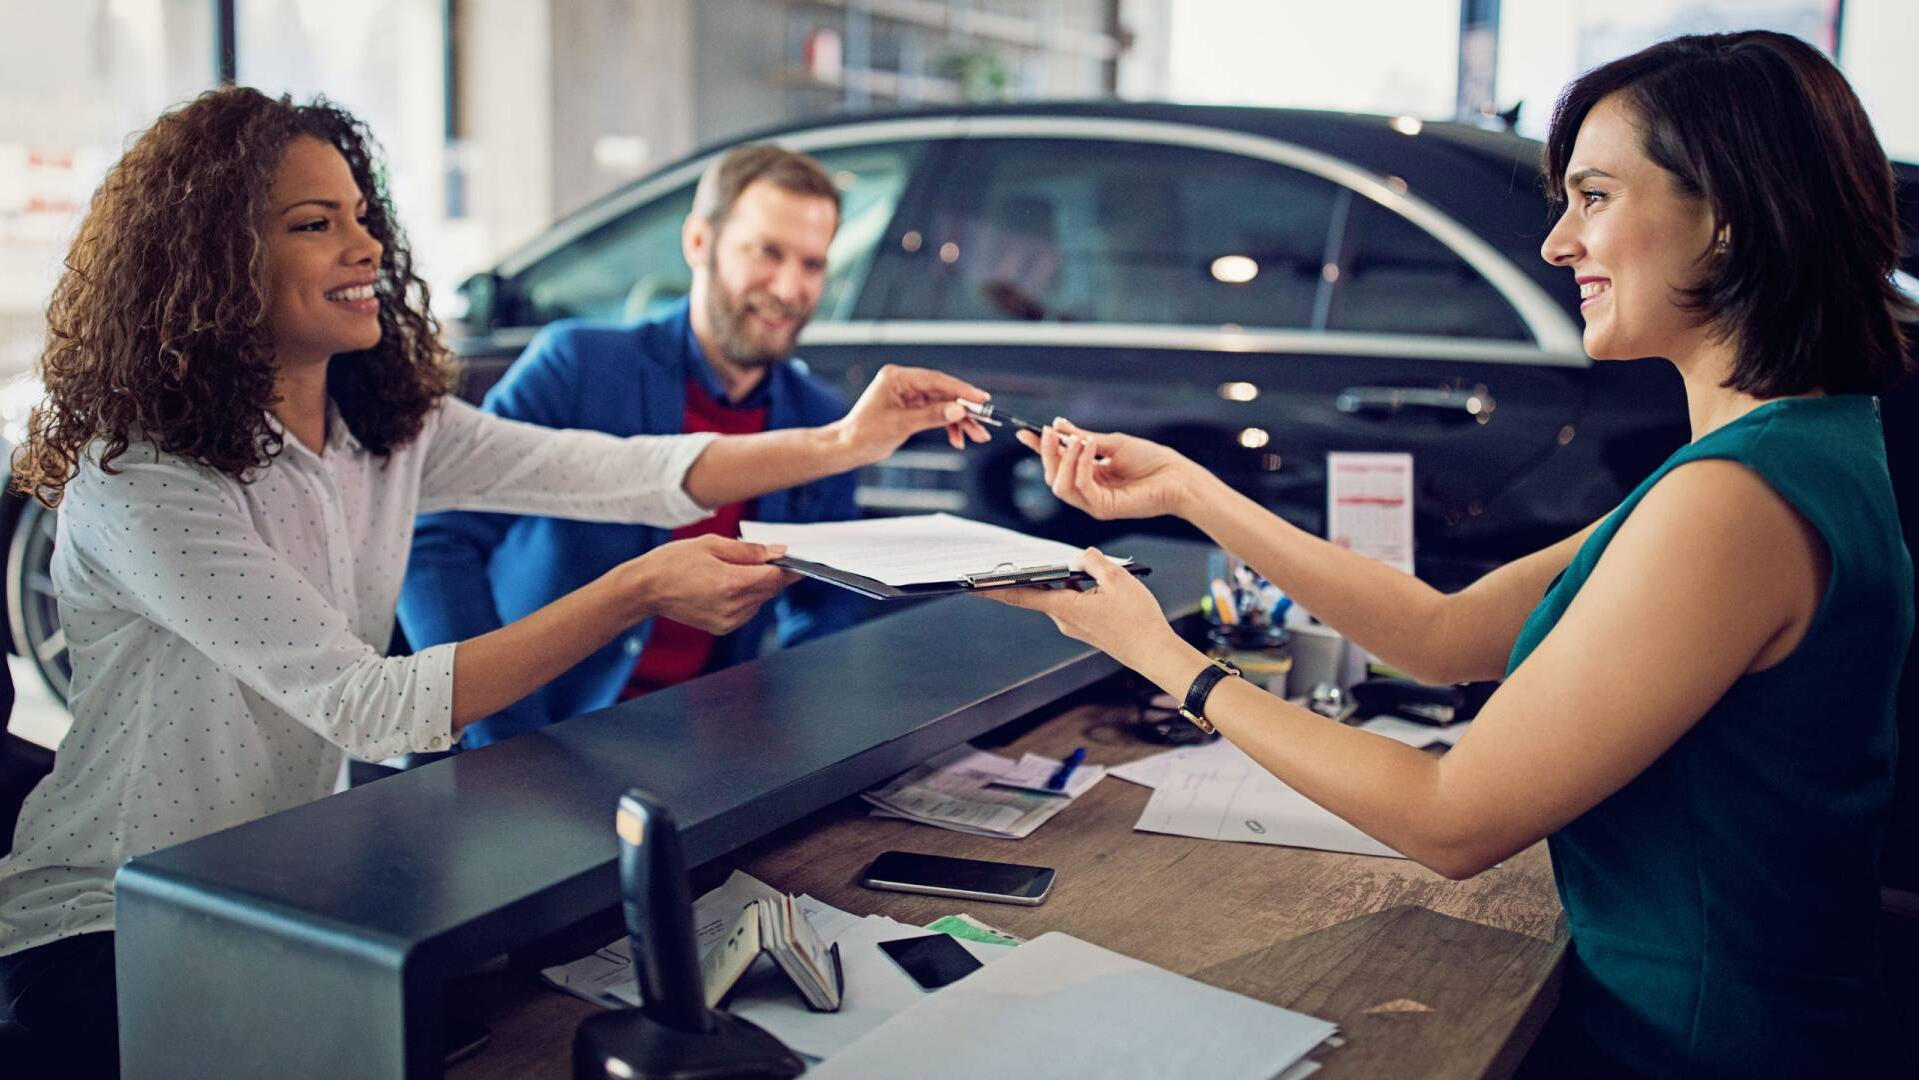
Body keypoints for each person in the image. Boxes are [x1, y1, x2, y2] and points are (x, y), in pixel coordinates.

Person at [0, 87, 989, 1077]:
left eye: (362, 217)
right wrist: (635, 590)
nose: (366, 248)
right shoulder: (140, 475)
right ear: (214, 264)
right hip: (107, 912)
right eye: (315, 224)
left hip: (277, 890)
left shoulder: (382, 428)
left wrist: (843, 439)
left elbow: (624, 472)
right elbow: (372, 709)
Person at [989, 31, 1913, 1077]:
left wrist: (1163, 660)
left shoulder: (1731, 504)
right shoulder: (1790, 448)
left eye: (1594, 197)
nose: (1558, 244)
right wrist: (1192, 491)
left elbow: (1450, 820)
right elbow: (1437, 634)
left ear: (1727, 219)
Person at [399, 145, 868, 748]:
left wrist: (796, 735)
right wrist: (494, 732)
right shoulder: (578, 365)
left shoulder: (821, 423)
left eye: (812, 264)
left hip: (703, 741)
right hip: (541, 728)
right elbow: (437, 541)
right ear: (699, 243)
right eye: (767, 252)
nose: (789, 287)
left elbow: (825, 606)